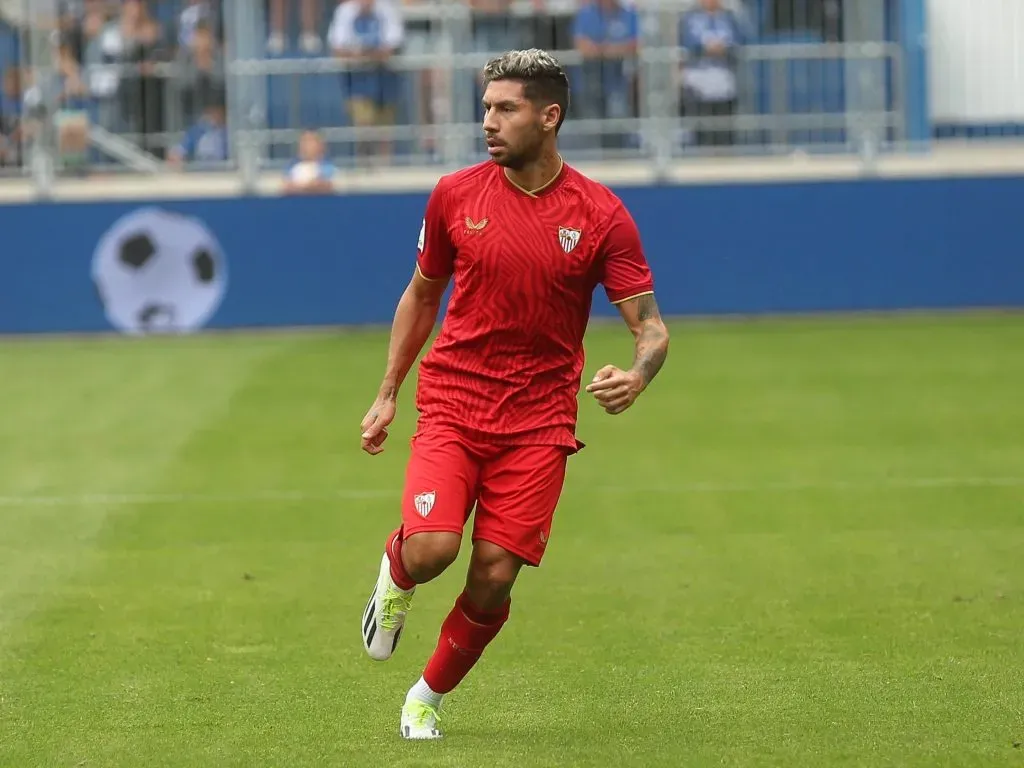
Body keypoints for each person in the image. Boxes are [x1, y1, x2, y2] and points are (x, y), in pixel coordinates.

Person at [358, 48, 670, 741]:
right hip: (454, 401)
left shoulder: (600, 215)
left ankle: (424, 699)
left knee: (495, 575)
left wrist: (638, 374)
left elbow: (650, 328)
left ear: (549, 116)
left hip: (538, 420)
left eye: (505, 109)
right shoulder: (454, 195)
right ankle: (396, 567)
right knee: (434, 549)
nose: (489, 123)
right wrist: (387, 393)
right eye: (486, 109)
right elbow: (422, 295)